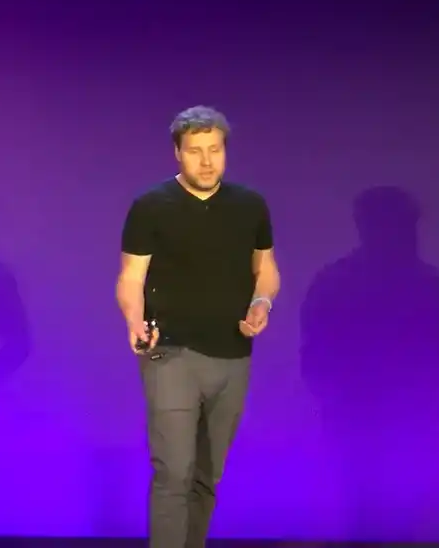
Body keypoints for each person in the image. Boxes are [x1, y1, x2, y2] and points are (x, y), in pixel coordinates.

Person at [116, 106, 280, 548]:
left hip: (233, 356)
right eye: (195, 151)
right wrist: (134, 320)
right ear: (177, 153)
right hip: (171, 353)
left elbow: (265, 269)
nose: (207, 162)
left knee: (208, 476)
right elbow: (131, 278)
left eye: (215, 150)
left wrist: (262, 302)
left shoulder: (250, 205)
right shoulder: (152, 206)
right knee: (174, 472)